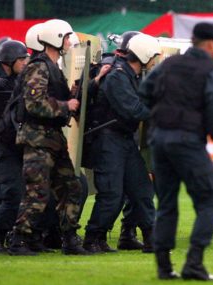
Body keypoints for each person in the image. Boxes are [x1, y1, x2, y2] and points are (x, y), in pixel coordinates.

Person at [139, 22, 213, 281]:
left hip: (159, 141)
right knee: (210, 199)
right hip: (188, 142)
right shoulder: (212, 72)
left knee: (166, 204)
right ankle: (194, 262)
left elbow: (144, 92)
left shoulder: (167, 65)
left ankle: (164, 267)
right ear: (212, 45)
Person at [8, 19, 88, 256]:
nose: (68, 42)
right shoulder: (39, 67)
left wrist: (72, 97)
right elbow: (34, 104)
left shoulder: (52, 66)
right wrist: (66, 105)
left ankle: (70, 239)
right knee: (38, 192)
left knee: (71, 187)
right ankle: (19, 240)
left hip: (52, 139)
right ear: (55, 39)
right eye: (65, 37)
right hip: (37, 140)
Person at [83, 33, 160, 254]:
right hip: (108, 140)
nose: (155, 60)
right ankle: (92, 238)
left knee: (142, 189)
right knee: (111, 194)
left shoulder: (131, 75)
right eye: (153, 56)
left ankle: (152, 240)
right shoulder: (118, 76)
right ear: (144, 55)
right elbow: (133, 109)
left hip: (123, 140)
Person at [0, 40, 29, 253]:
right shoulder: (0, 86)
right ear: (9, 61)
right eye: (22, 58)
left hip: (13, 147)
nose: (26, 61)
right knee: (12, 193)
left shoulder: (16, 83)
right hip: (3, 148)